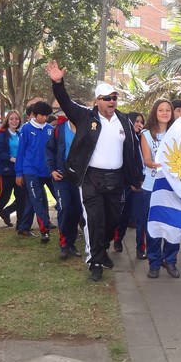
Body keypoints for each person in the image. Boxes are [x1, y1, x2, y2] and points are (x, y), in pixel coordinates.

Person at [46, 62, 143, 283]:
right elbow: (65, 102)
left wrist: (135, 177)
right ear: (97, 101)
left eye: (114, 98)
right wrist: (58, 83)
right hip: (91, 178)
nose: (111, 101)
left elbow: (132, 151)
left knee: (112, 221)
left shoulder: (124, 121)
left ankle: (102, 248)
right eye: (107, 98)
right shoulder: (85, 117)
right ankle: (95, 262)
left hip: (116, 179)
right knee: (94, 220)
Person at [139, 100, 181, 278]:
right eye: (161, 110)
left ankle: (170, 261)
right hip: (152, 186)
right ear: (155, 113)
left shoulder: (178, 133)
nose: (164, 113)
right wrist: (158, 165)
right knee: (153, 226)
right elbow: (147, 160)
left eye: (168, 110)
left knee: (173, 225)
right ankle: (154, 262)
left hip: (174, 187)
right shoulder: (146, 134)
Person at [14, 101, 55, 243]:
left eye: (47, 115)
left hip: (48, 171)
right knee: (37, 200)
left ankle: (24, 227)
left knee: (33, 200)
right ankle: (44, 230)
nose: (45, 118)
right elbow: (20, 152)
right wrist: (19, 173)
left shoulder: (50, 129)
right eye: (42, 115)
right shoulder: (26, 129)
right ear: (35, 115)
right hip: (31, 171)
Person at [47, 114, 83, 258]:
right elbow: (49, 149)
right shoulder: (60, 129)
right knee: (64, 207)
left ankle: (71, 243)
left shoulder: (86, 129)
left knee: (77, 210)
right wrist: (52, 170)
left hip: (78, 178)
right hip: (61, 177)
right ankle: (63, 244)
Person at [114, 111, 145, 254]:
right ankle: (118, 239)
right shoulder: (124, 139)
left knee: (140, 217)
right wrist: (131, 181)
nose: (139, 124)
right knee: (124, 215)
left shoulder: (143, 138)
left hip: (141, 183)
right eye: (136, 121)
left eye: (141, 122)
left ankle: (140, 248)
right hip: (127, 184)